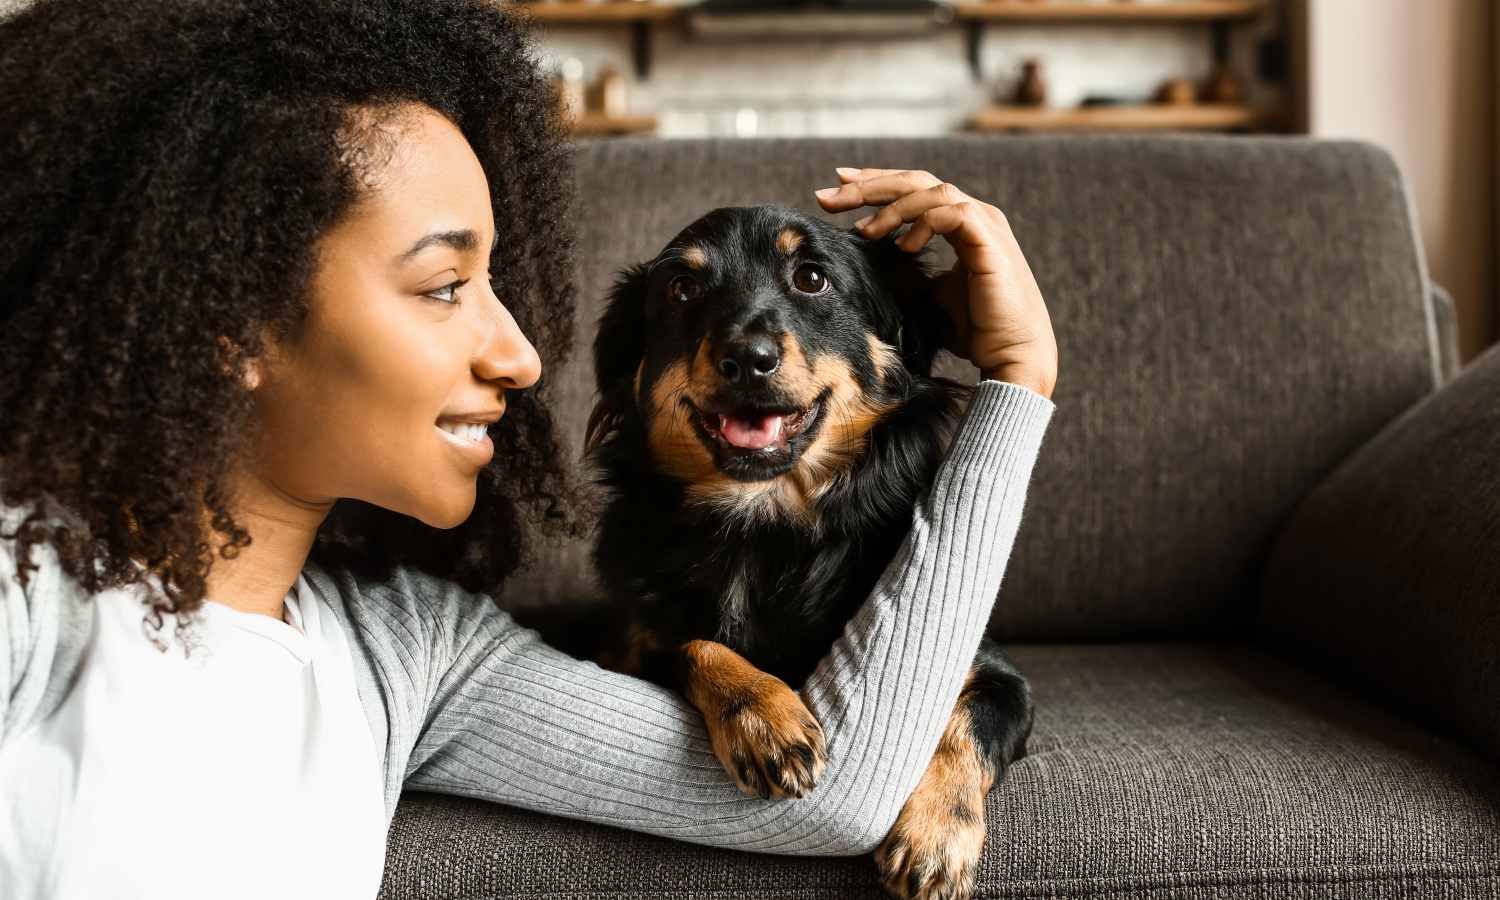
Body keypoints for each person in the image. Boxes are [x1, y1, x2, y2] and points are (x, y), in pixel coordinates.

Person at [0, 1, 1058, 898]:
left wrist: (1018, 384)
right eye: (445, 285)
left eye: (499, 283)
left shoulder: (413, 654)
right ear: (231, 319)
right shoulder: (26, 592)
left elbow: (835, 794)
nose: (519, 354)